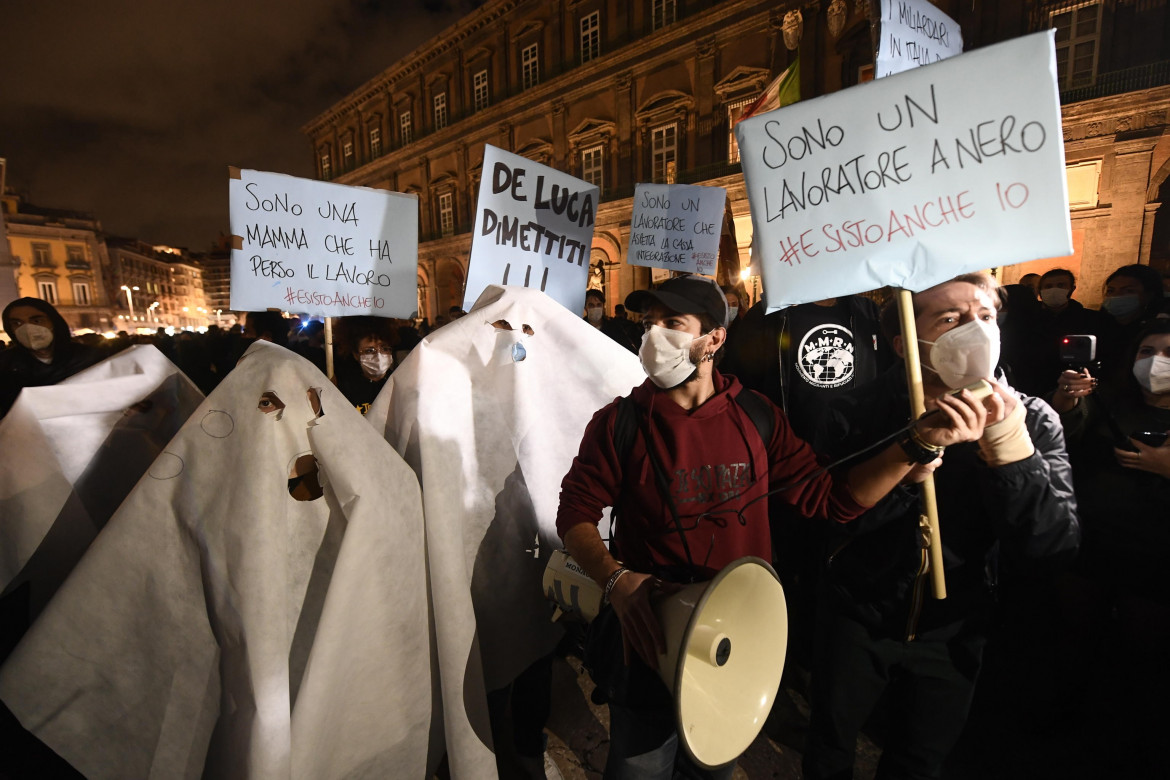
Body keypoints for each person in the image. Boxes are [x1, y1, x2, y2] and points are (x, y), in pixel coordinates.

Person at [556, 274, 996, 780]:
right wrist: (616, 581)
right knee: (640, 765)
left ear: (715, 338)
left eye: (672, 323)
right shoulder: (618, 424)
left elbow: (832, 499)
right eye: (648, 324)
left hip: (733, 634)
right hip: (648, 632)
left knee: (713, 765)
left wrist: (914, 446)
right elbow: (575, 514)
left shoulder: (758, 417)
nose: (654, 337)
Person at [801, 273, 1080, 780]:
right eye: (950, 319)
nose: (975, 332)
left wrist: (1008, 450)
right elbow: (830, 520)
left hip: (955, 629)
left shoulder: (1032, 419)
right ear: (904, 340)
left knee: (920, 759)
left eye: (985, 317)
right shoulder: (854, 410)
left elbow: (1051, 545)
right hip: (858, 616)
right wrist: (905, 467)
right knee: (831, 745)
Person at [1043, 319, 1170, 775]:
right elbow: (1062, 437)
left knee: (1145, 653)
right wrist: (1067, 400)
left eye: (1167, 353)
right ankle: (1063, 719)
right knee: (1074, 637)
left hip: (1154, 559)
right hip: (1093, 547)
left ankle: (1136, 738)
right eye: (1146, 351)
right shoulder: (1111, 404)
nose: (1156, 362)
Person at [1, 297, 103, 417]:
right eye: (17, 323)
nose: (27, 329)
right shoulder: (4, 364)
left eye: (36, 321)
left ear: (54, 322)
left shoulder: (91, 357)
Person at [333, 316, 397, 415]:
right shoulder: (344, 389)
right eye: (369, 351)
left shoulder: (398, 383)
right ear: (356, 355)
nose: (379, 356)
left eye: (384, 349)